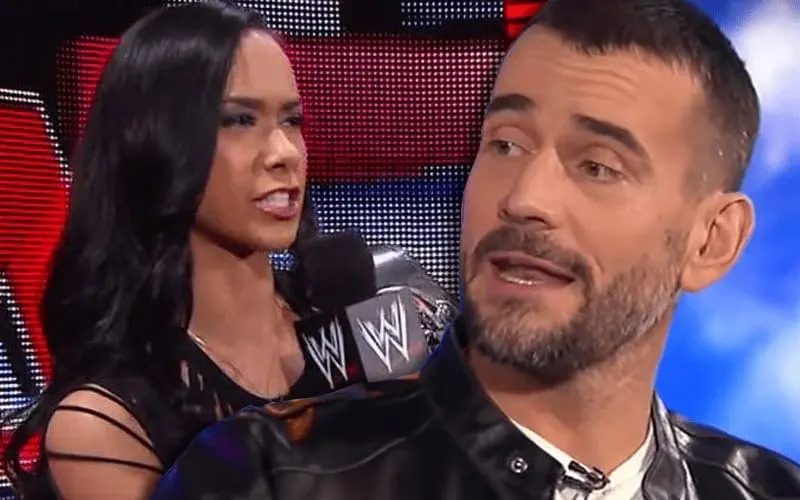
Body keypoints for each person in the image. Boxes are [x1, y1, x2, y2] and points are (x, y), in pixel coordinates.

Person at [150, 0, 800, 498]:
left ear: (711, 242)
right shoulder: (267, 478)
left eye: (597, 166)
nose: (524, 197)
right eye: (506, 144)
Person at [1, 2, 321, 499]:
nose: (285, 152)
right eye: (239, 120)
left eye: (292, 119)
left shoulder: (359, 326)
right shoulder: (110, 425)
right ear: (153, 142)